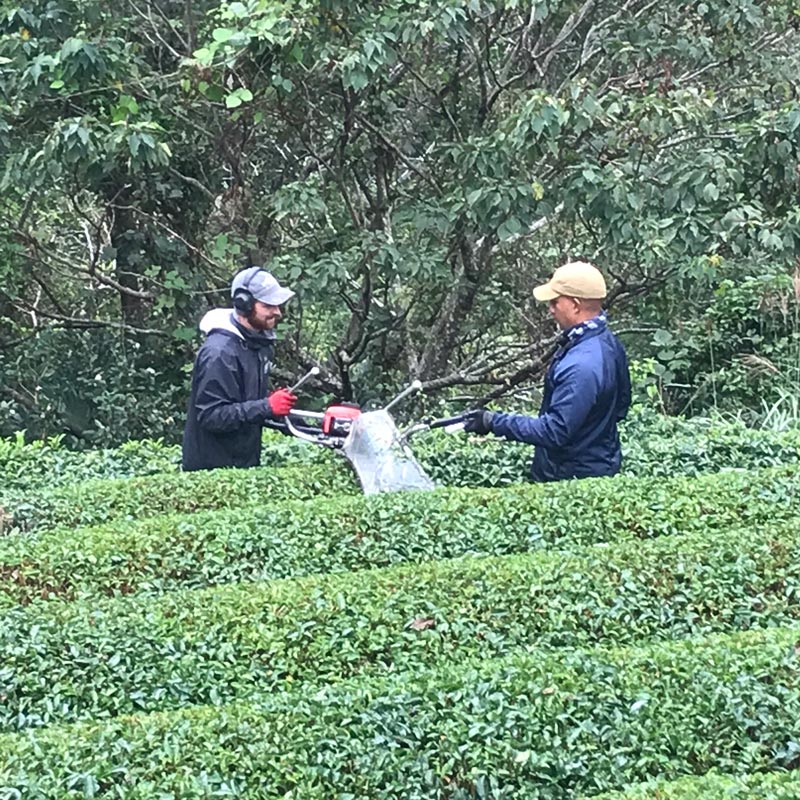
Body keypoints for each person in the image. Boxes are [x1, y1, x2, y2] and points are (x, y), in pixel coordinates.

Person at [464, 261, 631, 482]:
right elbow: (620, 408)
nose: (551, 309)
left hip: (570, 480)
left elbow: (554, 432)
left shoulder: (581, 364)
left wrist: (492, 421)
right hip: (599, 467)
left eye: (555, 302)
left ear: (575, 304)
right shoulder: (607, 342)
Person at [181, 266, 299, 471]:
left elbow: (249, 407)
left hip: (244, 466)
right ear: (244, 304)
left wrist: (322, 430)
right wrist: (267, 406)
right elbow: (211, 416)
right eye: (268, 305)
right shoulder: (220, 353)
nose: (277, 312)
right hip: (211, 473)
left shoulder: (257, 344)